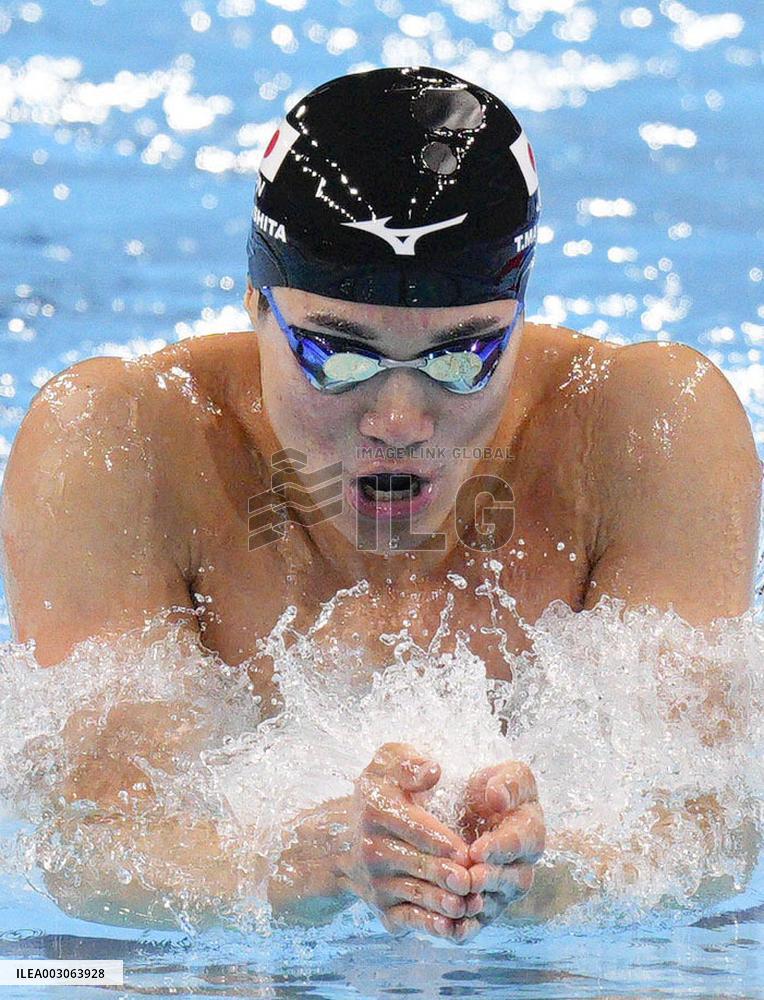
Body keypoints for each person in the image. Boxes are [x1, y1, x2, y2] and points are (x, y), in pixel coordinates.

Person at [0, 66, 760, 940]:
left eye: (461, 355)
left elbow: (714, 827)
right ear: (255, 305)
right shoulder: (118, 446)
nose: (399, 420)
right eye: (338, 355)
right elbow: (95, 854)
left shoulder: (645, 432)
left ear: (520, 319)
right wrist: (303, 864)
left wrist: (553, 879)